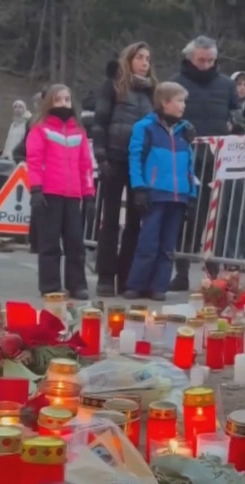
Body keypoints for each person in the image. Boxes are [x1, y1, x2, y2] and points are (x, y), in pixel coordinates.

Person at [170, 35, 240, 290]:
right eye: (202, 60)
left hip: (219, 161)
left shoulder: (225, 85)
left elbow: (236, 111)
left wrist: (236, 124)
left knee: (219, 217)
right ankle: (182, 269)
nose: (207, 65)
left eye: (211, 60)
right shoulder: (176, 83)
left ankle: (214, 271)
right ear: (190, 58)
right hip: (187, 159)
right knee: (189, 217)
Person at [92, 41, 156, 296]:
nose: (144, 63)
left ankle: (127, 275)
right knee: (109, 219)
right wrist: (101, 157)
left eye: (148, 59)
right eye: (140, 57)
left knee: (134, 220)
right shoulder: (114, 86)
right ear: (129, 59)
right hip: (115, 157)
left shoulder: (153, 92)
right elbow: (99, 122)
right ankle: (105, 276)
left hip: (139, 161)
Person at [125, 81, 197, 301]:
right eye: (179, 100)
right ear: (165, 102)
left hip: (178, 195)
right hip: (155, 192)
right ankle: (136, 284)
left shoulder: (185, 131)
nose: (183, 105)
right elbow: (135, 157)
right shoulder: (145, 127)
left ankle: (159, 286)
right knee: (148, 242)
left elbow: (189, 163)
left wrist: (191, 192)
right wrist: (139, 187)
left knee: (168, 246)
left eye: (184, 101)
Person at [26, 84, 94, 299]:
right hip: (49, 192)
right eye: (58, 100)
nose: (64, 104)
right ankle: (50, 285)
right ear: (49, 103)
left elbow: (86, 165)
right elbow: (34, 161)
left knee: (75, 241)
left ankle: (77, 285)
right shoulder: (40, 129)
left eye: (67, 99)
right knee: (50, 242)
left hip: (73, 194)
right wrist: (36, 188)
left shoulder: (79, 132)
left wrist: (89, 193)